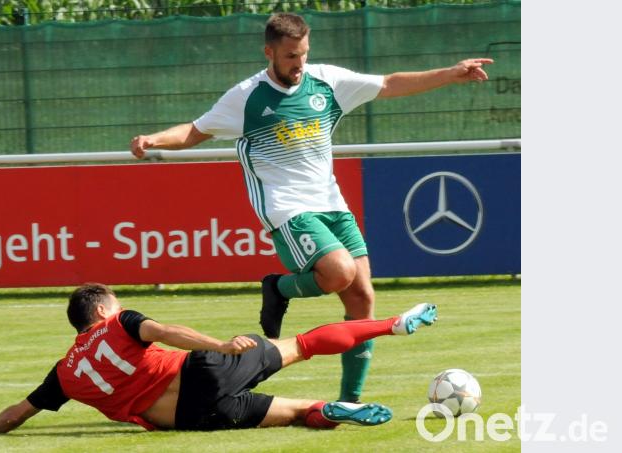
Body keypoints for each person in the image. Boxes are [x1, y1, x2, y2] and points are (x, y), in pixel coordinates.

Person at [129, 12, 491, 404]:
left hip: (331, 203)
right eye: (289, 56)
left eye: (302, 54)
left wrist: (451, 73)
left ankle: (350, 401)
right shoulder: (247, 97)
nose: (298, 64)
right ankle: (279, 287)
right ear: (269, 52)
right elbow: (194, 130)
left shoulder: (325, 81)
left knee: (363, 300)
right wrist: (154, 139)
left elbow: (387, 84)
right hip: (287, 209)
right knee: (339, 272)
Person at [0, 283, 437, 434]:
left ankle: (332, 410)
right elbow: (165, 332)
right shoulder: (117, 324)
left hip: (185, 418)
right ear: (101, 310)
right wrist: (218, 346)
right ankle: (391, 323)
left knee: (298, 413)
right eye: (116, 302)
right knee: (302, 344)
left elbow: (17, 414)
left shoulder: (63, 373)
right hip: (202, 370)